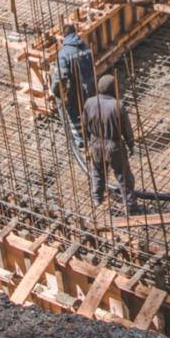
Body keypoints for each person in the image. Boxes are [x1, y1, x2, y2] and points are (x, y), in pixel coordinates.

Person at [81, 74, 139, 213]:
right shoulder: (118, 105)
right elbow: (127, 129)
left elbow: (84, 125)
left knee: (97, 172)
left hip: (95, 143)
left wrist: (86, 144)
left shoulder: (89, 102)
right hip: (114, 146)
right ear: (114, 88)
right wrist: (131, 145)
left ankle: (97, 198)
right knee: (124, 177)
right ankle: (131, 207)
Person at [54, 24, 96, 149]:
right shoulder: (86, 47)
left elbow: (61, 77)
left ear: (64, 36)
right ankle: (92, 133)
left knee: (71, 111)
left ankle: (80, 140)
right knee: (88, 110)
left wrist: (55, 91)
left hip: (75, 90)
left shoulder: (63, 54)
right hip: (90, 87)